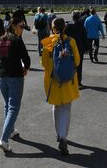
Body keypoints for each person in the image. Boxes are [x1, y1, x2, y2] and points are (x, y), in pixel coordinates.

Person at [41, 18, 80, 156]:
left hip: (53, 81)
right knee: (66, 109)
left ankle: (58, 134)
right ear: (64, 28)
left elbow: (44, 64)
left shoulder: (48, 43)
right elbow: (77, 60)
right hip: (68, 81)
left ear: (53, 28)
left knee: (56, 107)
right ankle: (64, 136)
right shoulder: (71, 41)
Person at [0, 17, 31, 153]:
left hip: (2, 77)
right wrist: (25, 68)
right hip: (15, 76)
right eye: (21, 26)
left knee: (7, 105)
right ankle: (3, 139)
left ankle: (11, 130)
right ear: (14, 26)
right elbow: (26, 58)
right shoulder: (17, 40)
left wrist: (4, 63)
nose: (22, 29)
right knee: (13, 107)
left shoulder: (0, 39)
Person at [65, 10, 86, 88]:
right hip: (79, 47)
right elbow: (84, 37)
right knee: (79, 65)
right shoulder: (81, 25)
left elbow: (64, 37)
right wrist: (86, 48)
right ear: (79, 16)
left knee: (70, 65)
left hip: (69, 48)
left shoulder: (68, 26)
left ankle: (70, 81)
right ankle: (78, 82)